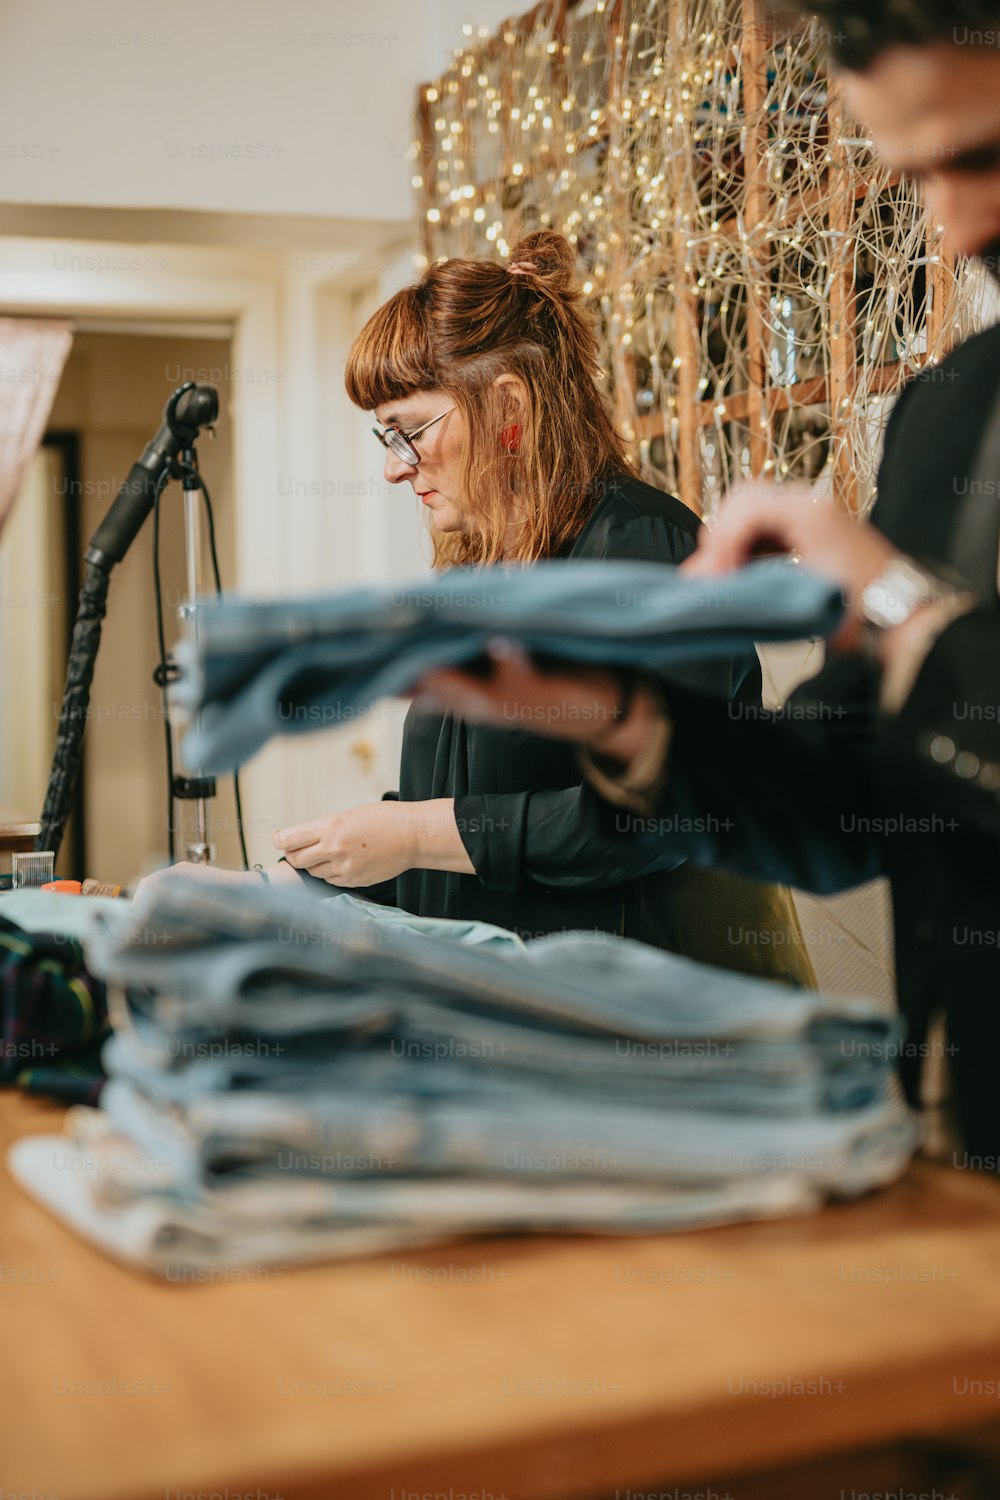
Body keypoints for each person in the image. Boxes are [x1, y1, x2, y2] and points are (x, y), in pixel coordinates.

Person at [417, 2, 1000, 1158]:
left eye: (979, 156)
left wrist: (897, 602)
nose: (954, 222)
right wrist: (631, 724)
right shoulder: (947, 417)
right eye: (912, 174)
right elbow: (843, 811)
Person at [148, 231, 815, 985]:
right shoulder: (481, 570)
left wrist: (412, 831)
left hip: (656, 1038)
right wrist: (275, 887)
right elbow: (457, 824)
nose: (394, 468)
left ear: (507, 408)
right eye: (383, 435)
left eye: (410, 432)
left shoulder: (647, 546)